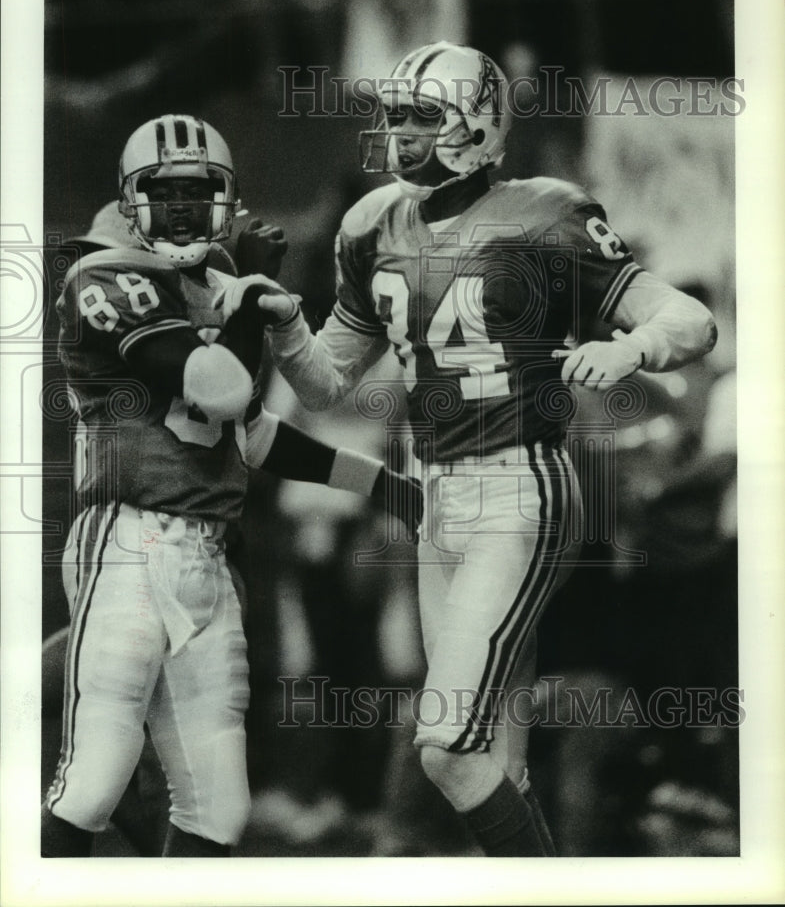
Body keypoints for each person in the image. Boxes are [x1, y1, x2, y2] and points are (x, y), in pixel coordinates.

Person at [226, 42, 719, 857]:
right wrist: (281, 324)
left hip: (520, 486)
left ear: (480, 126)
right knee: (493, 759)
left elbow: (689, 322)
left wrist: (631, 350)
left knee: (444, 745)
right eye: (396, 117)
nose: (402, 134)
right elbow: (322, 385)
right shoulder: (369, 224)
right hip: (436, 501)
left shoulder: (547, 211)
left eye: (425, 117)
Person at [41, 113, 421, 858]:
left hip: (205, 555)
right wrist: (247, 305)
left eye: (198, 195)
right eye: (166, 195)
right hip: (129, 540)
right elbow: (215, 386)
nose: (183, 211)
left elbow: (251, 433)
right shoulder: (104, 275)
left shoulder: (204, 292)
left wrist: (379, 485)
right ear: (131, 206)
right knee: (91, 782)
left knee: (217, 808)